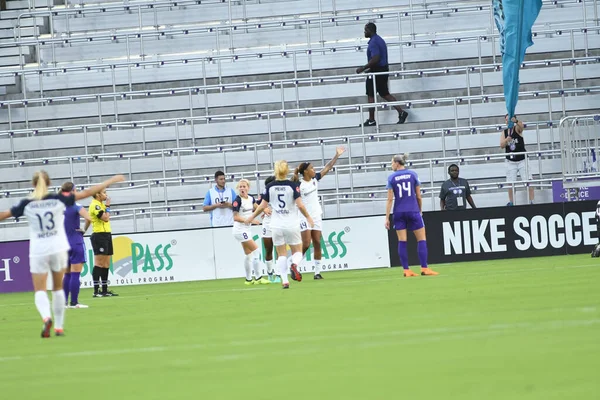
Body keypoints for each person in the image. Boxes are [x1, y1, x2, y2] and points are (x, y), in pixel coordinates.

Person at [0, 171, 125, 337]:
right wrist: (110, 181)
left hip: (38, 250)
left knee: (40, 290)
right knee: (58, 288)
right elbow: (88, 193)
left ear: (33, 185)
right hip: (57, 247)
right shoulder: (59, 200)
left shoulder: (27, 203)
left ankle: (46, 317)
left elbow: (4, 215)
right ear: (50, 184)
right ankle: (58, 326)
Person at [245, 160, 314, 289]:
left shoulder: (270, 186)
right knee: (298, 251)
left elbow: (261, 207)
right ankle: (294, 264)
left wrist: (252, 217)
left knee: (281, 254)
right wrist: (308, 217)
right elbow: (300, 205)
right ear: (286, 170)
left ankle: (284, 281)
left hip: (276, 225)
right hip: (291, 223)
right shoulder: (293, 186)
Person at [293, 146, 346, 279]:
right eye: (311, 168)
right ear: (305, 171)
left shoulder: (315, 179)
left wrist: (336, 156)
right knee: (306, 244)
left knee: (317, 241)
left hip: (316, 215)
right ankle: (294, 265)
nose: (314, 170)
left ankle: (317, 272)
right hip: (305, 217)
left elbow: (327, 168)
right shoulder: (299, 186)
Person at [385, 154, 438, 277]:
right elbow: (418, 196)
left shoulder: (391, 178)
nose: (391, 165)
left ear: (397, 163)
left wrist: (387, 217)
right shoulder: (413, 175)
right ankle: (424, 268)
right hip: (413, 210)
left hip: (398, 212)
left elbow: (389, 199)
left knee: (402, 241)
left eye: (392, 163)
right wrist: (419, 210)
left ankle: (406, 270)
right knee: (421, 239)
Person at [356, 22, 408, 127]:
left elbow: (376, 58)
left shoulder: (374, 42)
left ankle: (371, 120)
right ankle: (401, 112)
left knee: (371, 95)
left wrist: (363, 68)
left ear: (370, 30)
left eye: (365, 30)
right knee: (385, 94)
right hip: (382, 70)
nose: (364, 32)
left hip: (377, 72)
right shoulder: (379, 40)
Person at [232, 179, 272, 286]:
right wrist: (249, 220)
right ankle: (258, 278)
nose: (242, 188)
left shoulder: (250, 198)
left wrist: (264, 210)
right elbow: (235, 217)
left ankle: (248, 280)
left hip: (246, 229)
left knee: (249, 255)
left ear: (248, 188)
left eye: (244, 186)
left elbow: (257, 207)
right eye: (240, 187)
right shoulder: (237, 200)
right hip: (240, 230)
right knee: (257, 251)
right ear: (238, 188)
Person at [61, 182, 91, 309]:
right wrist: (84, 229)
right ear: (72, 192)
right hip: (75, 241)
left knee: (66, 274)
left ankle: (63, 303)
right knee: (75, 274)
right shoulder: (76, 206)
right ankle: (74, 302)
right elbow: (89, 218)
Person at [500, 114, 535, 206]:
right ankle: (512, 202)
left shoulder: (516, 129)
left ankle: (531, 201)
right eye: (506, 120)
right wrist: (506, 140)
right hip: (511, 161)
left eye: (509, 119)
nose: (508, 121)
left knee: (528, 181)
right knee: (511, 183)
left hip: (522, 159)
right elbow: (501, 145)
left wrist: (516, 121)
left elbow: (522, 127)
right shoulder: (504, 132)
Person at [89, 189, 118, 297]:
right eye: (104, 193)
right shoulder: (95, 205)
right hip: (99, 235)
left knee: (106, 264)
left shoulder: (100, 205)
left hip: (106, 234)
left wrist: (106, 207)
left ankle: (104, 290)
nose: (106, 195)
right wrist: (108, 206)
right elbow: (105, 218)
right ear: (97, 194)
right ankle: (96, 291)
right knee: (99, 263)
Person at [260, 175, 281, 283]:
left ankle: (278, 274)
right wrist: (264, 209)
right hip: (267, 224)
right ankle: (269, 273)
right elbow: (258, 204)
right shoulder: (264, 194)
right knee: (268, 250)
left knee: (279, 249)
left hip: (278, 223)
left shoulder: (281, 193)